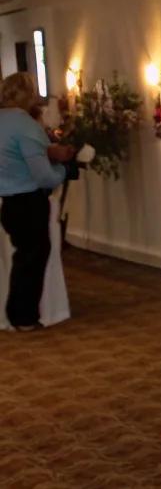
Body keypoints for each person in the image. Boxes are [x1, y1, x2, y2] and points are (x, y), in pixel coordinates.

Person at [0, 73, 74, 331]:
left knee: (24, 255)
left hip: (8, 202)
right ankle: (23, 316)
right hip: (29, 202)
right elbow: (43, 175)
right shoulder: (25, 125)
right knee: (32, 256)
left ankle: (17, 313)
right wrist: (65, 171)